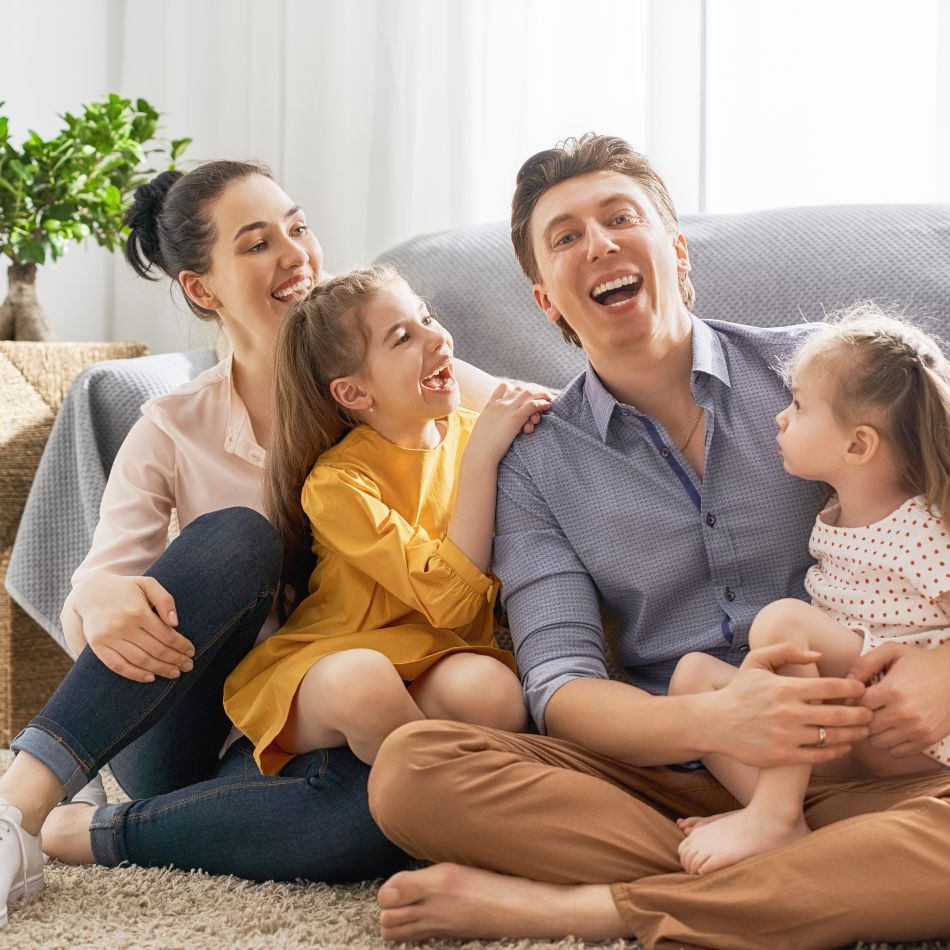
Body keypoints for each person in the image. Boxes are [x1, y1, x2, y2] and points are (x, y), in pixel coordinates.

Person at [366, 135, 950, 949]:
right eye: (565, 236)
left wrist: (946, 670)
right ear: (545, 300)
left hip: (884, 763)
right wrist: (719, 725)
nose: (598, 243)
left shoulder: (823, 370)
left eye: (619, 217)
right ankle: (821, 882)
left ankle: (598, 909)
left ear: (674, 250)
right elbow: (561, 689)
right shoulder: (535, 465)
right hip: (677, 779)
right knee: (412, 772)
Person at [0, 160, 519, 928]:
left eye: (298, 227)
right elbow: (94, 611)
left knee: (380, 819)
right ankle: (18, 812)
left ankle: (99, 831)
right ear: (202, 289)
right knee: (239, 539)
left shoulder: (384, 370)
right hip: (187, 721)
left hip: (337, 714)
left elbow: (517, 414)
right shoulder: (175, 426)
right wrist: (97, 593)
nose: (296, 254)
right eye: (256, 244)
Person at [223, 265, 543, 772]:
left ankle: (391, 767)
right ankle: (425, 798)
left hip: (434, 655)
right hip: (334, 660)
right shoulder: (335, 485)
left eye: (428, 317)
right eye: (403, 337)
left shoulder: (474, 433)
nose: (436, 337)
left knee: (495, 694)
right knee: (365, 685)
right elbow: (450, 599)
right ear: (353, 393)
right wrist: (483, 456)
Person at [670, 303, 950, 875]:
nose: (779, 418)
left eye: (798, 405)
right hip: (850, 726)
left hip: (913, 728)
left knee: (782, 624)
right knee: (693, 680)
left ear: (858, 446)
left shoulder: (924, 526)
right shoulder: (834, 514)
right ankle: (791, 822)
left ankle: (772, 815)